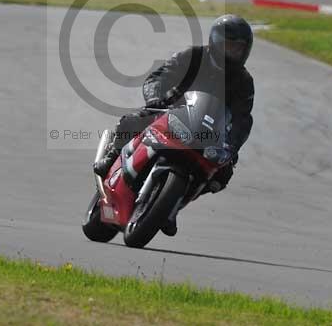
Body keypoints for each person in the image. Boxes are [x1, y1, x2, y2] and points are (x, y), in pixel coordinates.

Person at [93, 14, 255, 236]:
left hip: (209, 132)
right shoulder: (193, 56)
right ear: (215, 42)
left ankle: (173, 206)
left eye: (237, 48)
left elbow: (243, 119)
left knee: (223, 174)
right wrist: (156, 99)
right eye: (227, 46)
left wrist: (232, 146)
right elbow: (158, 77)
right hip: (173, 111)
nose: (232, 52)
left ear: (246, 51)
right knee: (133, 120)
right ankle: (111, 156)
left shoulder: (244, 82)